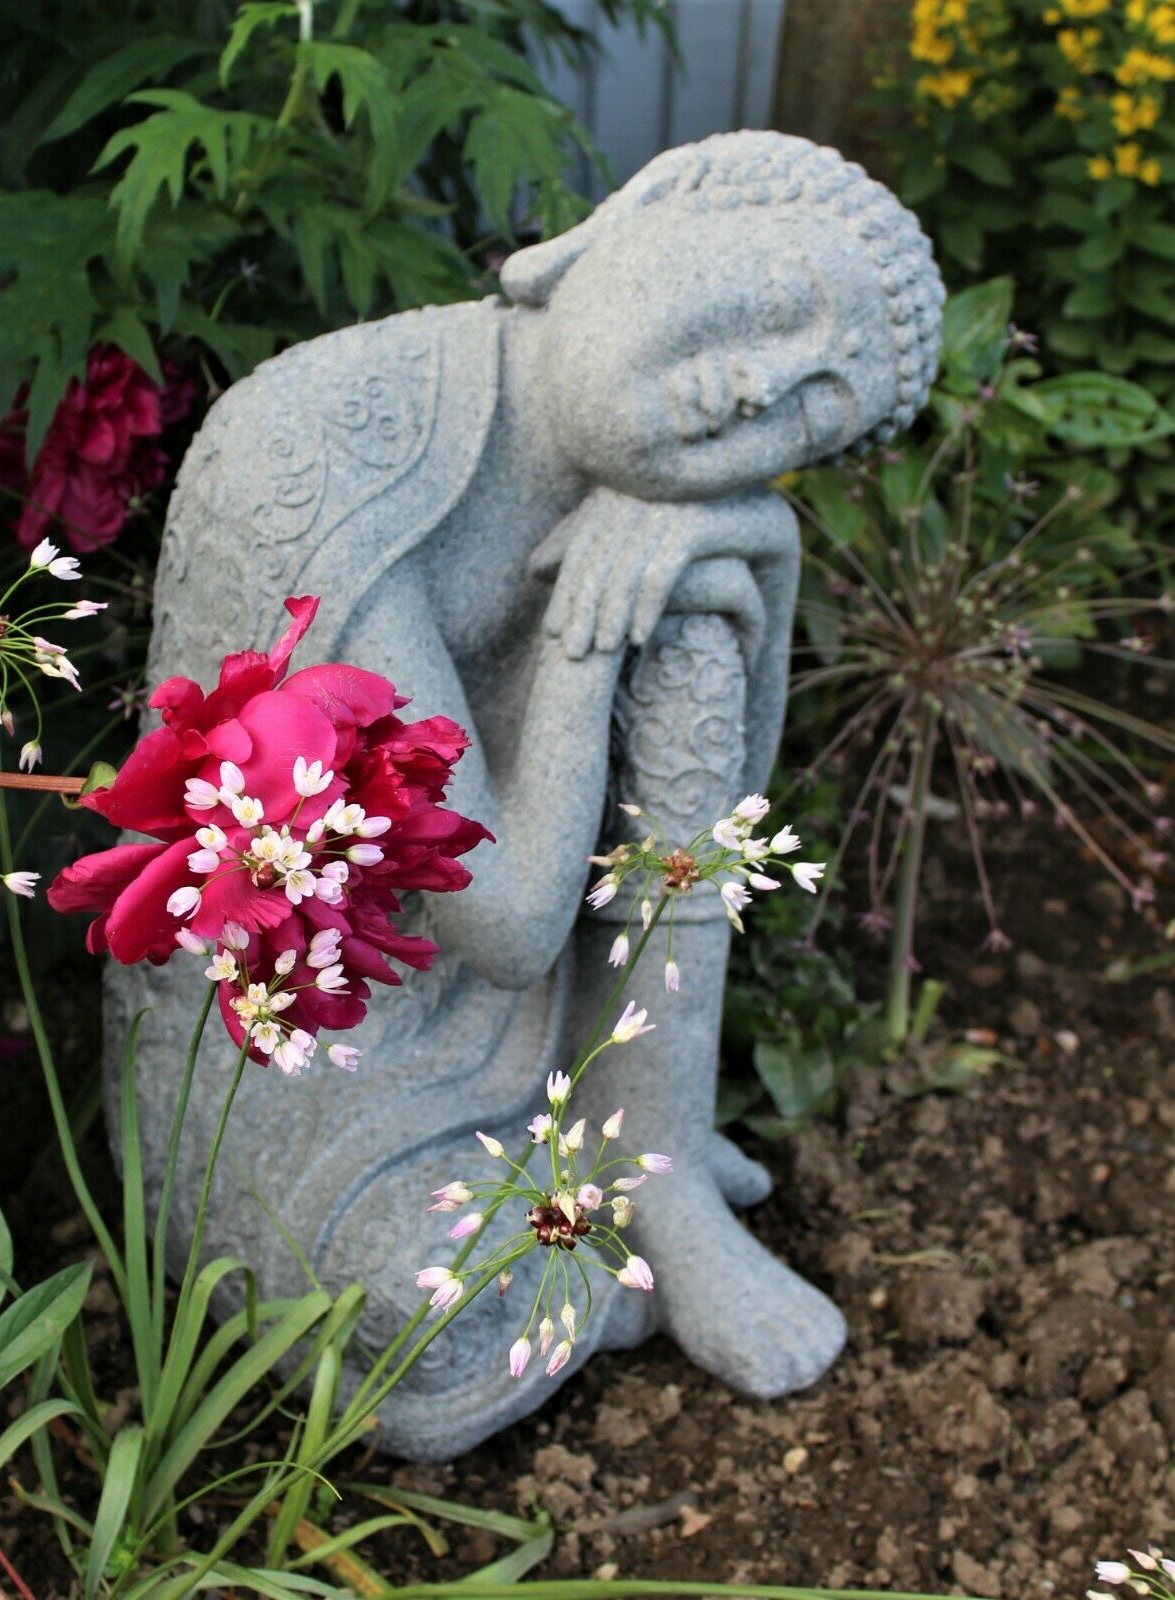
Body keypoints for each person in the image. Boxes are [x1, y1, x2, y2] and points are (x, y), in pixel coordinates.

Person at [113, 130, 944, 1459]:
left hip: (531, 1010)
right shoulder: (331, 446)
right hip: (313, 1044)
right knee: (420, 1307)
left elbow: (726, 808)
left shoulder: (653, 493)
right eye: (778, 311)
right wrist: (585, 636)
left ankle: (650, 1158)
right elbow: (497, 922)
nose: (757, 390)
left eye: (813, 411)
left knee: (694, 607)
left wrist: (750, 541)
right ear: (624, 218)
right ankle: (600, 1201)